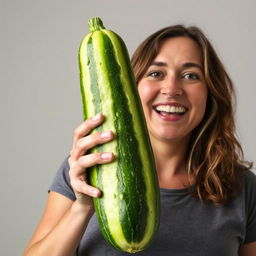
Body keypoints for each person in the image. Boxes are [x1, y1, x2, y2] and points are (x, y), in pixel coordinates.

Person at [24, 25, 256, 256]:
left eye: (190, 75)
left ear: (210, 93)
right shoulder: (84, 169)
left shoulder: (244, 187)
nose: (172, 88)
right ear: (130, 87)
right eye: (156, 73)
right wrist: (82, 207)